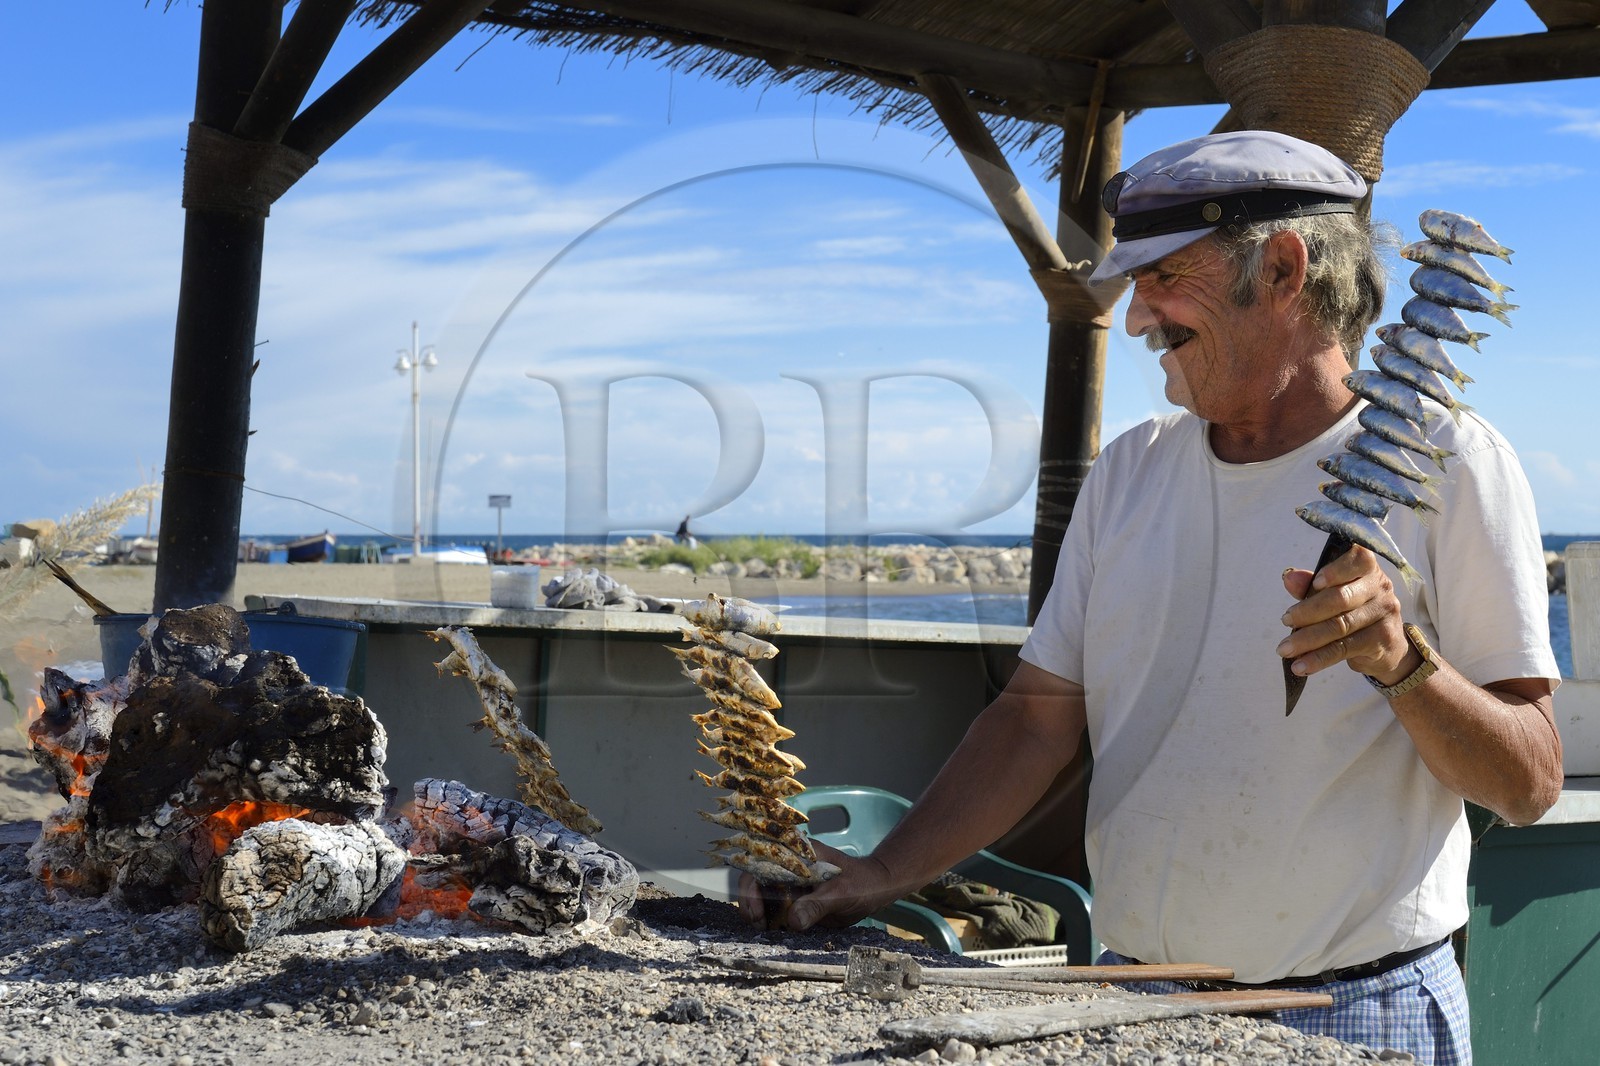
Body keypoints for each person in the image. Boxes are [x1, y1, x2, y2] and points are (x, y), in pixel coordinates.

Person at [739, 130, 1561, 1065]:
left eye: (1164, 277)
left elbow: (1530, 781)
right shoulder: (1129, 470)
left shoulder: (1452, 463)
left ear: (1285, 269)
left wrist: (1403, 665)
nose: (1137, 318)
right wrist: (881, 876)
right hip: (1134, 1000)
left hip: (1355, 1008)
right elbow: (1034, 719)